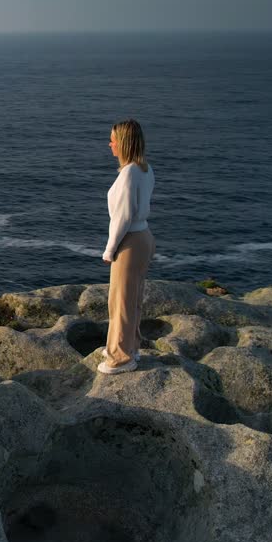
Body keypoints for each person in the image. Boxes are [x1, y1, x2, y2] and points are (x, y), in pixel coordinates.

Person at [98, 119, 155, 375]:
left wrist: (110, 249)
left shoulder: (129, 173)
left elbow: (122, 217)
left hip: (130, 241)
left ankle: (120, 358)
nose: (109, 144)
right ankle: (131, 346)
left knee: (120, 301)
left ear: (123, 143)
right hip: (144, 237)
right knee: (133, 299)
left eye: (113, 139)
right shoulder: (145, 169)